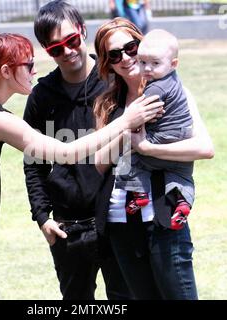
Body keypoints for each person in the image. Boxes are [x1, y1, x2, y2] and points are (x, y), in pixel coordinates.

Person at [0, 31, 162, 300]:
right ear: (5, 70)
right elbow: (66, 152)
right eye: (28, 65)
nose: (34, 70)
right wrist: (125, 121)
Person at [22, 0, 157, 300]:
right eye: (56, 48)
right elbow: (34, 164)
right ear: (46, 50)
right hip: (67, 225)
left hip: (117, 218)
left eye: (71, 40)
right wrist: (43, 217)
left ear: (83, 31)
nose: (67, 51)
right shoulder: (41, 97)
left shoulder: (115, 79)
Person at [93, 17, 214, 299]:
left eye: (130, 47)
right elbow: (101, 164)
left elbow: (204, 148)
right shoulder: (108, 104)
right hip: (120, 218)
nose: (125, 57)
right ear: (107, 63)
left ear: (142, 44)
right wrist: (127, 127)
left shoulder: (175, 93)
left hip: (165, 211)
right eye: (114, 54)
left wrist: (147, 148)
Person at [115, 29, 194, 230]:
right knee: (181, 174)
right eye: (143, 62)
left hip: (161, 136)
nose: (147, 69)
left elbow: (142, 115)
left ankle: (139, 194)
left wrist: (134, 132)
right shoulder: (175, 79)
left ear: (173, 63)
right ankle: (183, 203)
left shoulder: (155, 88)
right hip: (182, 135)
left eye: (155, 63)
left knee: (128, 159)